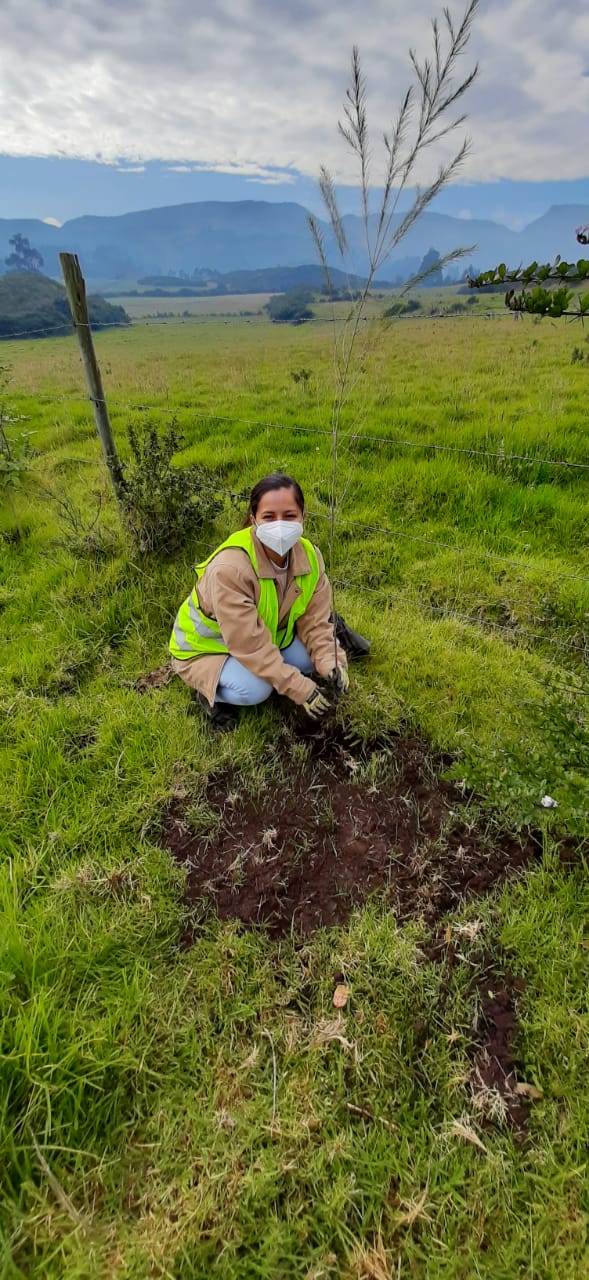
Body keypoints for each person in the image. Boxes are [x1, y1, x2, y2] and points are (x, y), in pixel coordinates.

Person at [169, 472, 368, 731]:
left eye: (289, 516)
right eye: (269, 517)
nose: (280, 525)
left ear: (303, 516)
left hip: (261, 636)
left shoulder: (310, 556)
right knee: (257, 689)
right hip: (208, 648)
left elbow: (316, 621)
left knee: (310, 661)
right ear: (253, 520)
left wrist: (332, 661)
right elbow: (249, 645)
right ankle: (210, 693)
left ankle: (267, 672)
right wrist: (301, 689)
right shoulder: (231, 568)